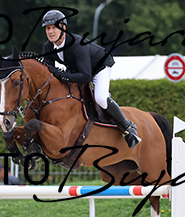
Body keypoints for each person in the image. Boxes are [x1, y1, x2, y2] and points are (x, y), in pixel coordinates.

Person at [40, 9, 141, 149]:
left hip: (99, 67)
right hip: (78, 69)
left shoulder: (76, 45)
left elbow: (86, 77)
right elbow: (49, 71)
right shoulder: (48, 47)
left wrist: (62, 75)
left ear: (63, 28)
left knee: (100, 98)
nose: (50, 32)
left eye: (54, 28)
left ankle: (128, 127)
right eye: (48, 28)